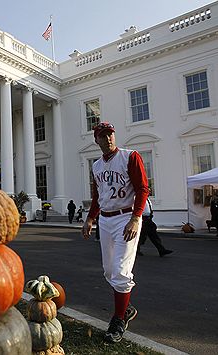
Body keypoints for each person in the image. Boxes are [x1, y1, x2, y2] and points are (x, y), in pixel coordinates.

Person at [81, 122, 149, 343]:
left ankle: (118, 319)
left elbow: (142, 188)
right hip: (106, 220)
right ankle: (126, 308)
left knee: (120, 271)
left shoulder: (130, 156)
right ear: (97, 140)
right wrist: (91, 218)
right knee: (109, 271)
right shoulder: (97, 166)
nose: (108, 138)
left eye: (111, 133)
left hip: (125, 217)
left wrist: (136, 218)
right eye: (103, 135)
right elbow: (97, 196)